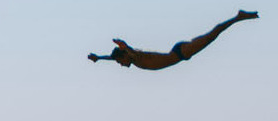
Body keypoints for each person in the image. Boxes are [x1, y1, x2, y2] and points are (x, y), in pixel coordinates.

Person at [89, 10, 258, 70]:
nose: (120, 65)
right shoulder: (132, 58)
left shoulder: (134, 57)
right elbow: (114, 57)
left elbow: (129, 52)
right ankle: (238, 18)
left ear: (124, 56)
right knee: (211, 36)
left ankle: (238, 17)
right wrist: (99, 58)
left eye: (120, 62)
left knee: (212, 36)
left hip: (181, 53)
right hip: (179, 52)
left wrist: (124, 45)